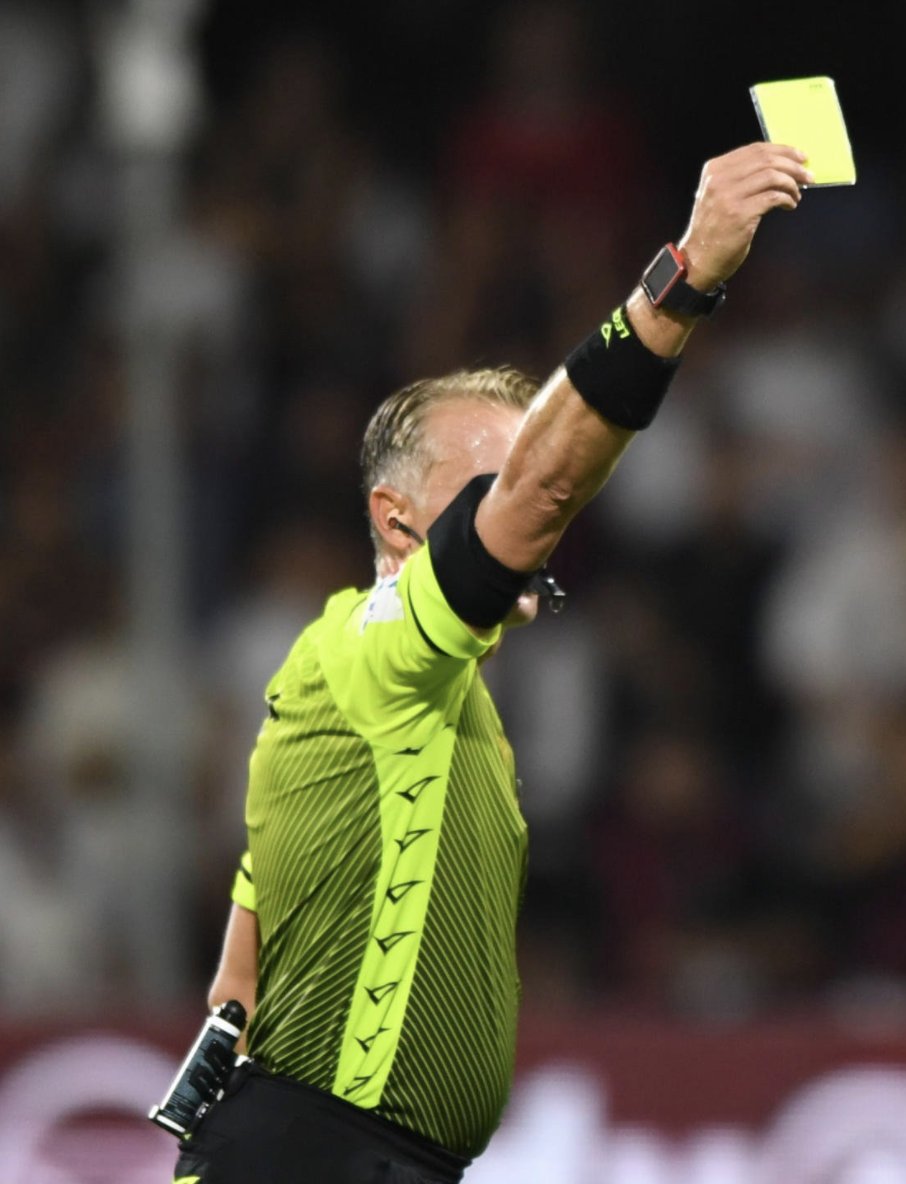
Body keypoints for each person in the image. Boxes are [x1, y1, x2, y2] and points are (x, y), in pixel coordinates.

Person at [176, 141, 816, 1183]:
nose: (528, 509)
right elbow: (547, 490)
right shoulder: (374, 643)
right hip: (318, 1153)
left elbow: (265, 877)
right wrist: (685, 274)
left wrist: (231, 1003)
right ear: (397, 520)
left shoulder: (413, 693)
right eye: (491, 483)